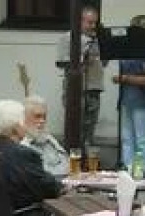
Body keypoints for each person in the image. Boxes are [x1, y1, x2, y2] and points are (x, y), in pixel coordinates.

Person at [58, 4, 104, 161]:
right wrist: (84, 51)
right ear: (79, 22)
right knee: (74, 129)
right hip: (75, 90)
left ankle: (86, 164)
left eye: (94, 23)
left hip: (94, 89)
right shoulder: (67, 38)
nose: (92, 26)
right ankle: (70, 163)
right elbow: (62, 62)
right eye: (89, 22)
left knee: (89, 130)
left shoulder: (98, 40)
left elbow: (103, 63)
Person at [113, 15, 145, 174]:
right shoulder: (126, 50)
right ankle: (127, 167)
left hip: (142, 100)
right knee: (126, 137)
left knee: (141, 138)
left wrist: (123, 78)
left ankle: (142, 170)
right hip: (126, 98)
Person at [22, 96, 72, 177]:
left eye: (44, 117)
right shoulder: (22, 145)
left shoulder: (50, 139)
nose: (42, 121)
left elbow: (68, 164)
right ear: (24, 118)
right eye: (37, 116)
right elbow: (40, 174)